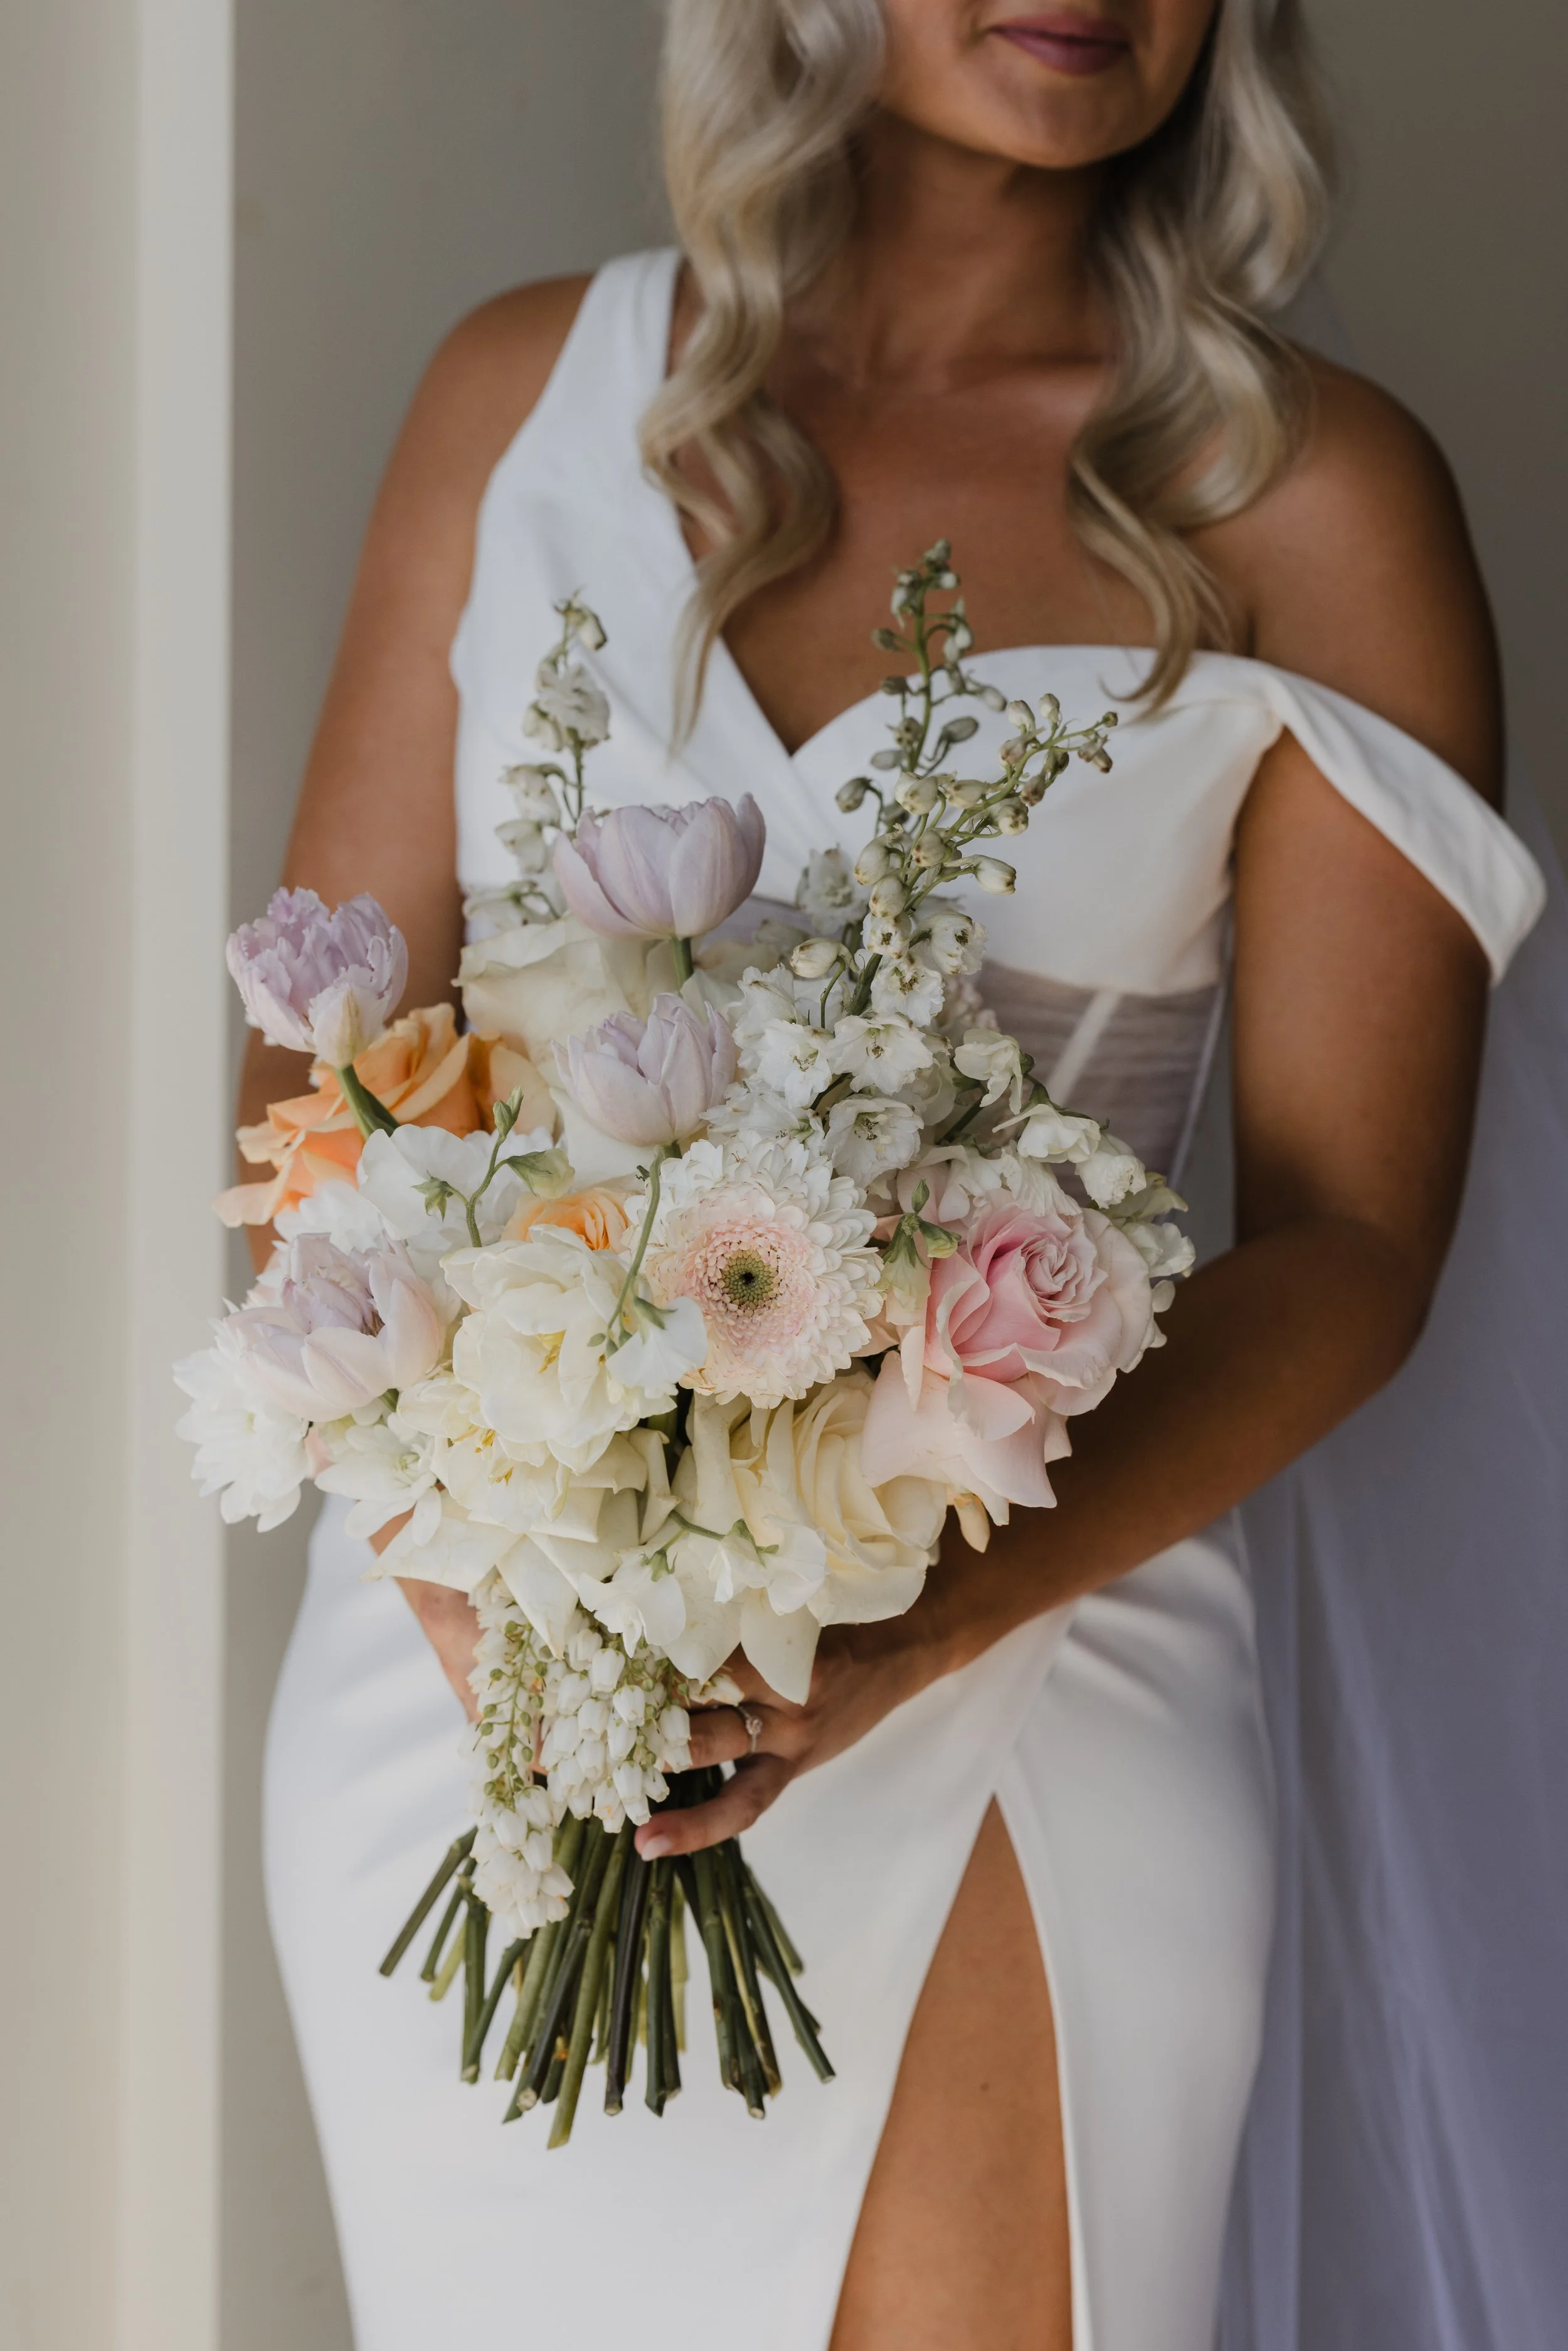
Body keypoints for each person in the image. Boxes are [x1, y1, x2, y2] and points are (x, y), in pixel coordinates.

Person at [246, 5, 1548, 2348]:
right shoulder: (516, 399)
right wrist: (487, 1574)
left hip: (1019, 1673)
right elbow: (328, 1074)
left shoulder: (1312, 499)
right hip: (470, 1681)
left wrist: (907, 1625)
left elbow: (1355, 1239)